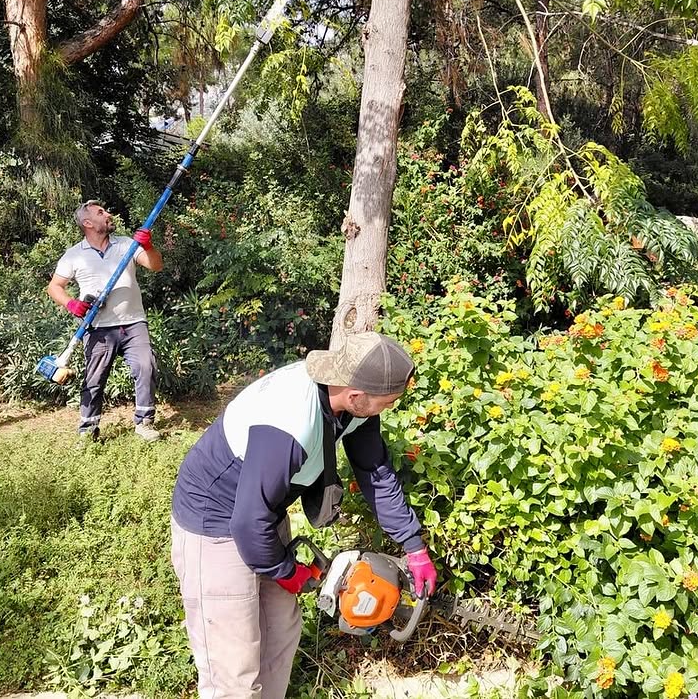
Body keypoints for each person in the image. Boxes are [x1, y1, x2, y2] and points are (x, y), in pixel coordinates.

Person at [170, 332, 438, 699]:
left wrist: (414, 546)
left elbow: (374, 471)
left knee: (281, 630)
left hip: (262, 512)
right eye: (387, 402)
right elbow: (247, 521)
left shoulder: (351, 403)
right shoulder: (289, 420)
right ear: (357, 396)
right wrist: (285, 571)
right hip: (215, 521)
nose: (388, 409)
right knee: (233, 667)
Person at [46, 200, 164, 444]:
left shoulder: (127, 245)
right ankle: (88, 430)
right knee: (94, 378)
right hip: (98, 327)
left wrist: (148, 246)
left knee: (146, 366)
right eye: (101, 213)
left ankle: (144, 423)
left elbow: (156, 265)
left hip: (133, 323)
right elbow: (54, 287)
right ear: (88, 223)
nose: (108, 214)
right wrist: (71, 304)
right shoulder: (74, 255)